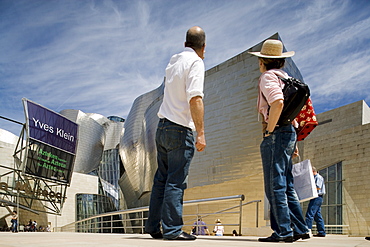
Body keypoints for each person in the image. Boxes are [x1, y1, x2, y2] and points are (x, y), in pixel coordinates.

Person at [145, 26, 206, 241]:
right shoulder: (196, 62)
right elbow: (195, 98)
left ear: (185, 44)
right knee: (176, 181)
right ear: (203, 47)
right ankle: (172, 229)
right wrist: (200, 132)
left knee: (161, 179)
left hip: (162, 127)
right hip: (180, 129)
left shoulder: (173, 61)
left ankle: (154, 226)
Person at [249, 39, 310, 243]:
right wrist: (293, 143)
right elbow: (290, 111)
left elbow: (277, 102)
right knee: (287, 185)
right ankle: (300, 228)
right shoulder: (286, 78)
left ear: (263, 61)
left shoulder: (267, 77)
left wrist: (270, 131)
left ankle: (283, 231)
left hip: (277, 134)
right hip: (289, 133)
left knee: (274, 185)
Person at [305, 166, 326, 237]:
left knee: (309, 214)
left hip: (317, 197)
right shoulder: (315, 178)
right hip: (316, 197)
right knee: (317, 215)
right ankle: (321, 232)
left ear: (313, 171)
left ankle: (307, 230)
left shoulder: (318, 177)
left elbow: (318, 187)